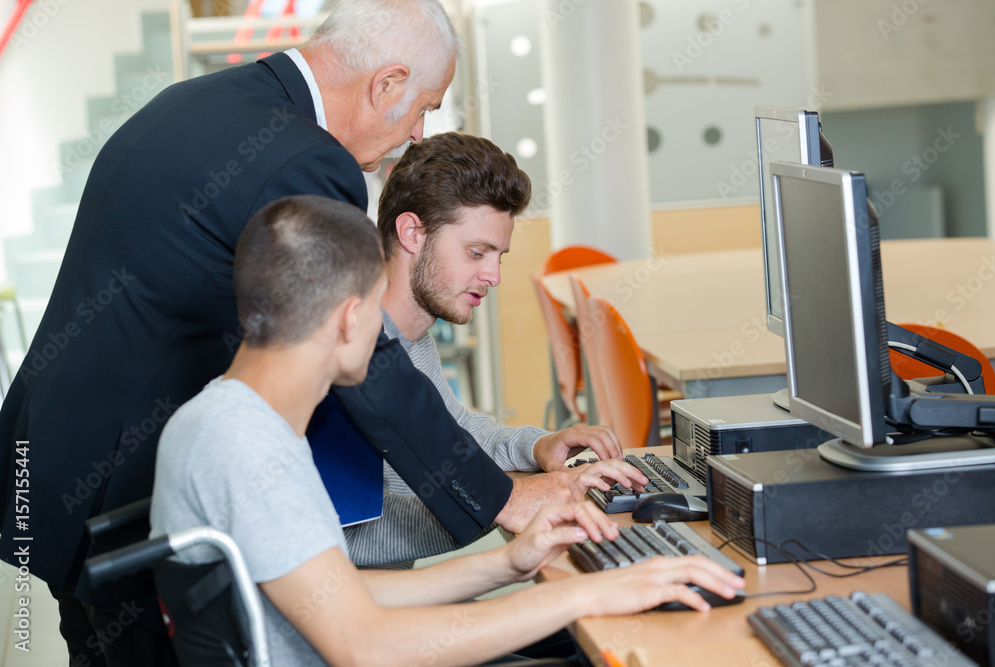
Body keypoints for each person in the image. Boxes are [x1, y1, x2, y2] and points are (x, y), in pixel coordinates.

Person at [0, 1, 621, 664]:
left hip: (66, 448)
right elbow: (371, 368)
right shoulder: (305, 160)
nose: (418, 132)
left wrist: (513, 524)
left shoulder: (207, 102)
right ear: (384, 83)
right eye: (422, 108)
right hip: (117, 481)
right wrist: (506, 498)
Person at [149, 194, 745, 666]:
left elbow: (339, 596)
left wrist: (509, 565)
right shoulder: (248, 447)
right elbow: (365, 646)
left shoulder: (230, 420)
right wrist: (585, 592)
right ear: (353, 318)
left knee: (581, 633)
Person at [345, 132, 646, 566]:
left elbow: (457, 429)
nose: (493, 276)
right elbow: (342, 539)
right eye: (476, 252)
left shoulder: (410, 337)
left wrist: (538, 448)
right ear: (412, 233)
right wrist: (507, 501)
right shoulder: (349, 354)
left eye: (498, 256)